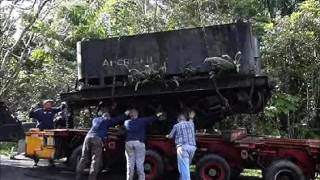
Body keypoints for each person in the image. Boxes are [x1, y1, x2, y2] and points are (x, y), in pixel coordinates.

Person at [76, 109, 129, 180]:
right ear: (108, 117)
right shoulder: (106, 120)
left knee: (84, 157)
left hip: (88, 137)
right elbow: (117, 119)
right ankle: (92, 178)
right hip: (97, 139)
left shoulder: (95, 120)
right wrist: (125, 114)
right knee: (95, 159)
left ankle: (78, 176)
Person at [124, 109, 163, 180]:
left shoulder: (126, 122)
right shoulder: (142, 121)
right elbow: (152, 118)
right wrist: (158, 114)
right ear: (137, 114)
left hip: (129, 143)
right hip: (139, 143)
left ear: (130, 115)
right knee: (139, 163)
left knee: (130, 164)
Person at [29, 99, 66, 166]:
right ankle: (36, 161)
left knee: (50, 145)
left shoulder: (52, 110)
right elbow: (31, 115)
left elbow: (60, 108)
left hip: (49, 131)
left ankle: (51, 161)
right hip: (40, 131)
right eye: (48, 104)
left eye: (50, 104)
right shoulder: (39, 111)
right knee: (38, 146)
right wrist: (32, 108)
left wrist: (63, 104)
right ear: (44, 105)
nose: (49, 105)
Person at [166, 111, 197, 180]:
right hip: (192, 148)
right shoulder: (191, 124)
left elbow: (170, 136)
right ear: (185, 119)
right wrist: (191, 117)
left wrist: (167, 135)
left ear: (178, 120)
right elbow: (191, 119)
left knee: (184, 167)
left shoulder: (176, 126)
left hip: (183, 148)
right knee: (187, 166)